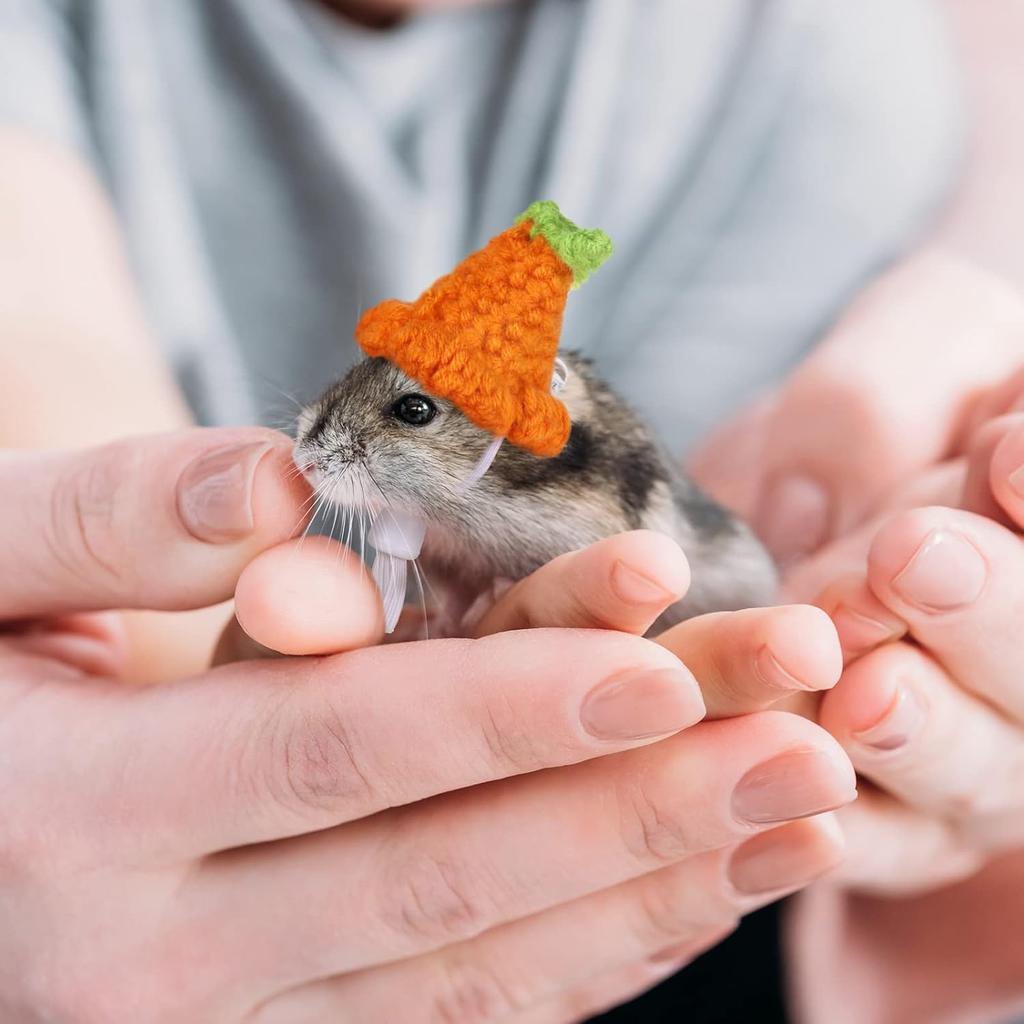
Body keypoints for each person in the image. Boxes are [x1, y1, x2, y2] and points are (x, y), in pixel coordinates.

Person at [1, 1, 1024, 1020]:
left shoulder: (815, 58)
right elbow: (45, 359)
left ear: (501, 444)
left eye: (404, 412)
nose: (316, 435)